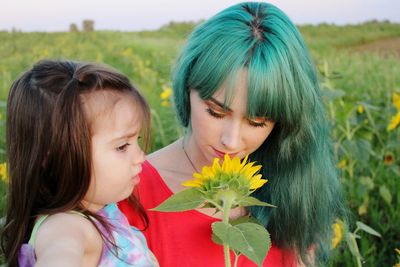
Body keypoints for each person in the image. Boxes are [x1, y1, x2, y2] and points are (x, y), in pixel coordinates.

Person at [120, 2, 346, 267]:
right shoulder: (128, 191)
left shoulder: (293, 186)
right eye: (215, 112)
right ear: (187, 88)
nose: (231, 141)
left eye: (257, 122)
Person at [0, 60, 159, 267]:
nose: (141, 157)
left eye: (136, 141)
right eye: (122, 146)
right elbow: (60, 255)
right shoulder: (65, 227)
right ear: (57, 157)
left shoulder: (104, 212)